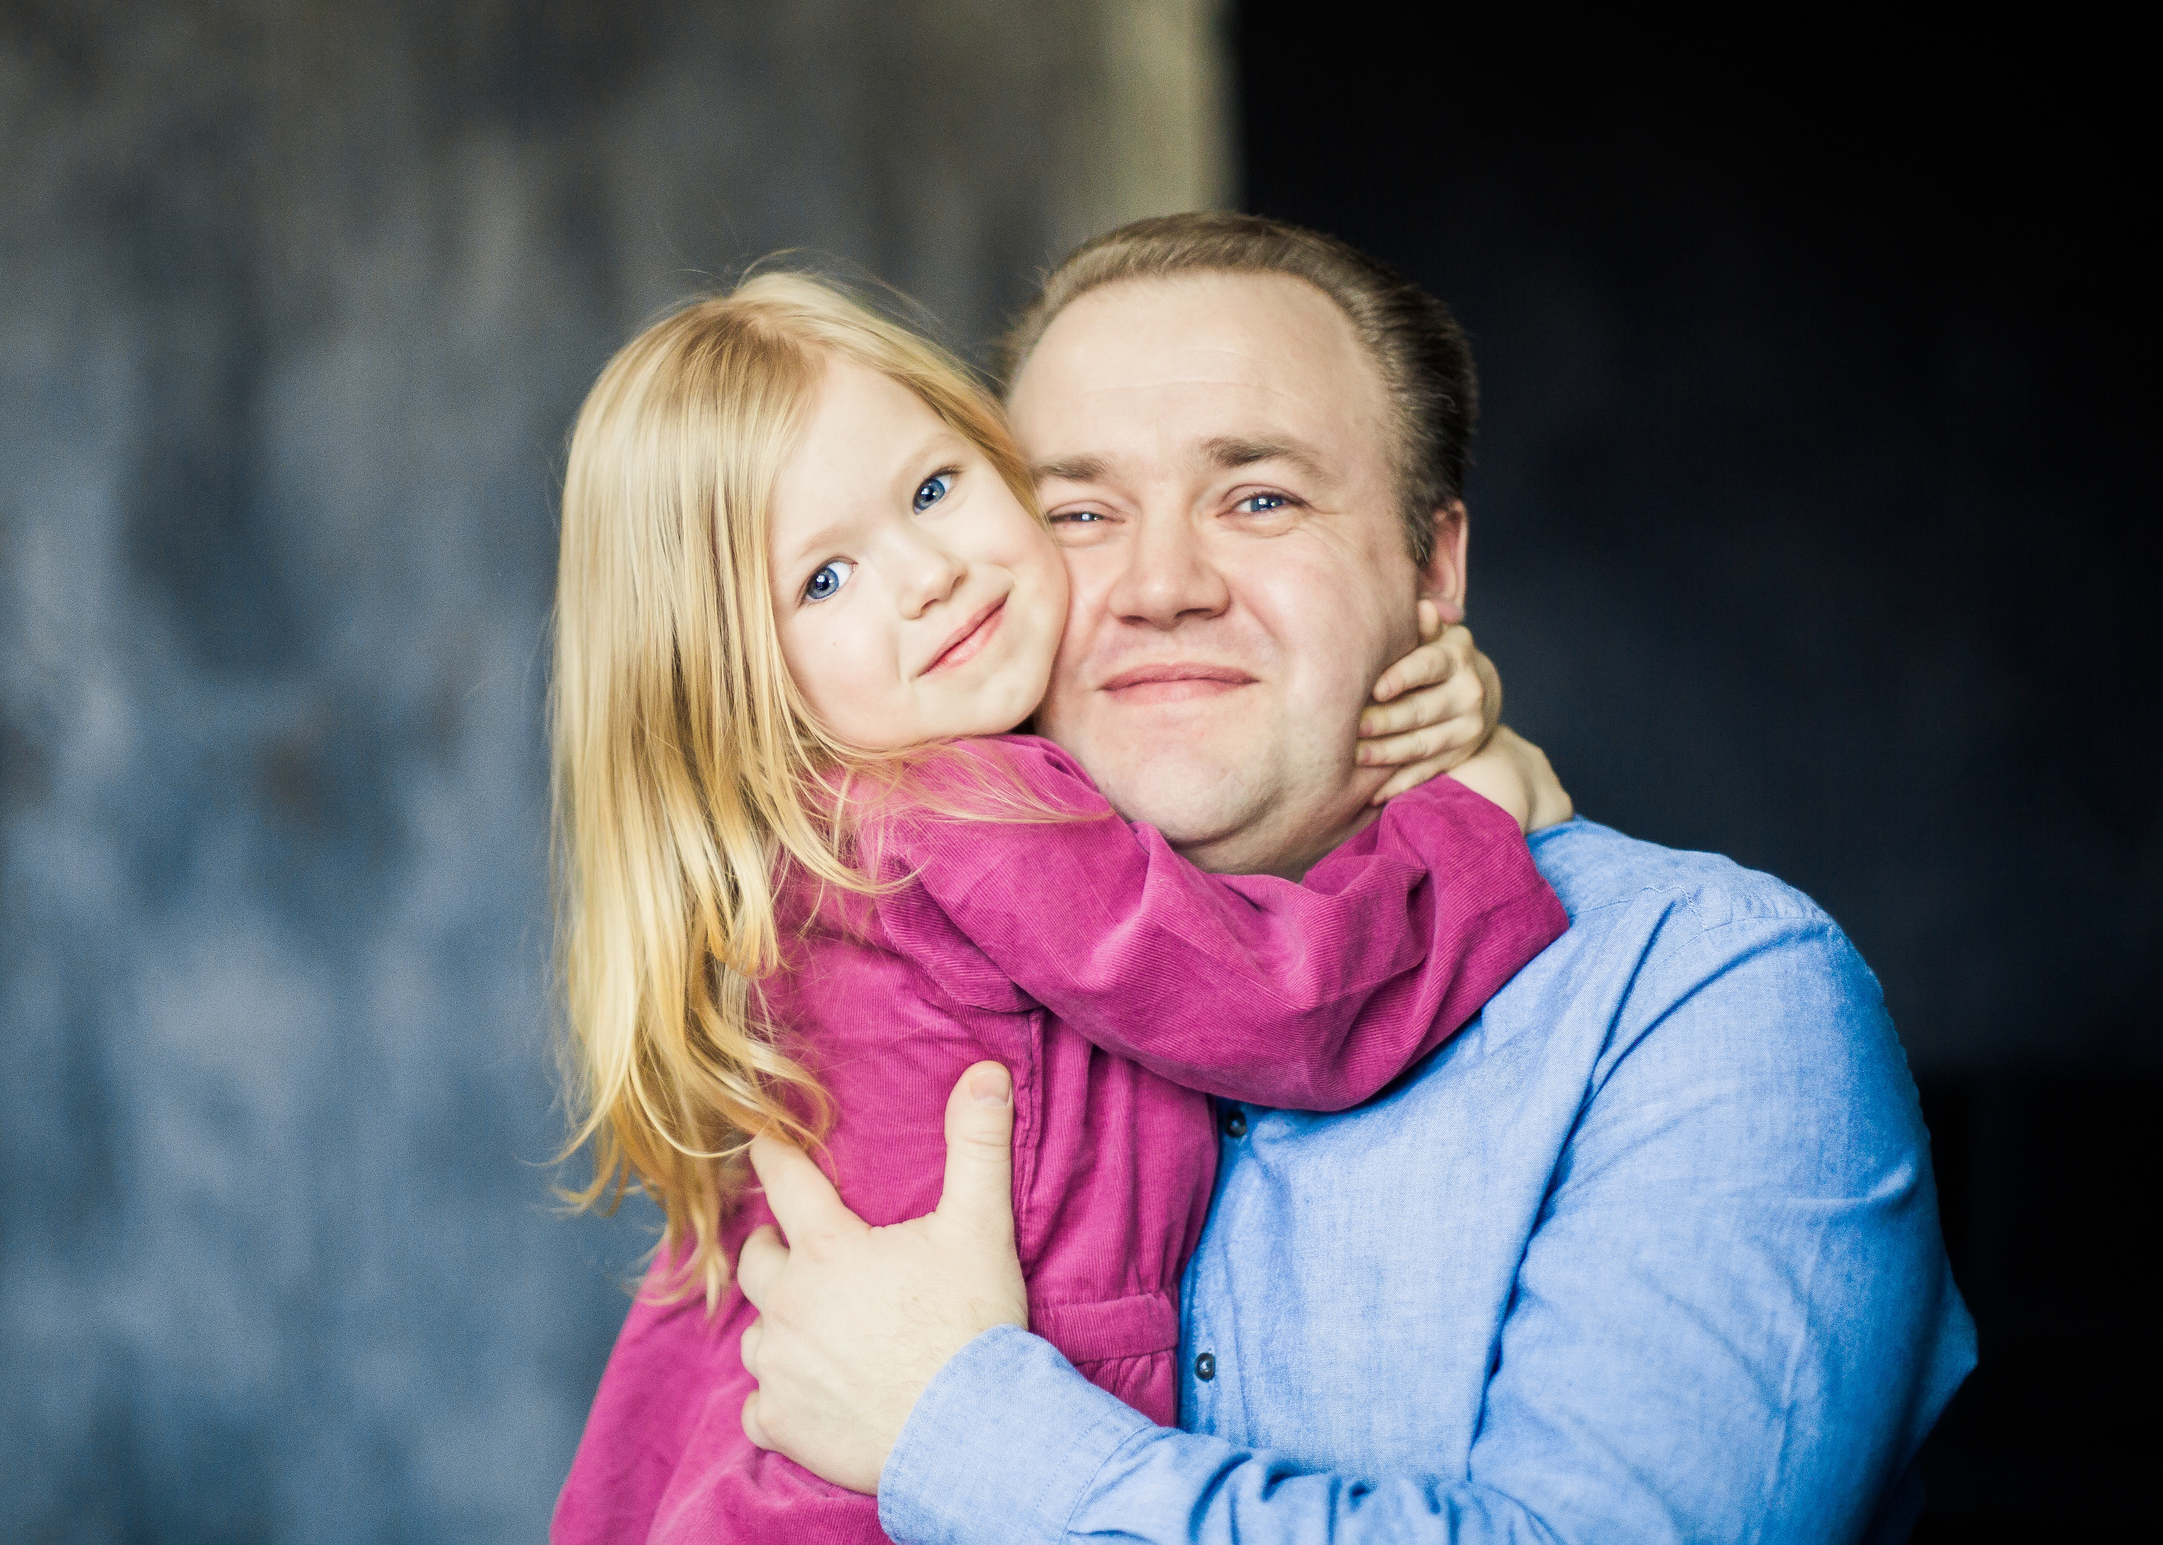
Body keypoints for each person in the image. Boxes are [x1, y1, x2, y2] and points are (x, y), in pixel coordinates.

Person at [731, 215, 1978, 1544]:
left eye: (1259, 496)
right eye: (1077, 512)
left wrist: (958, 1427)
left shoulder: (1709, 999)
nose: (1160, 584)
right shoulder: (860, 976)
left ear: (1432, 568)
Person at [544, 271, 1576, 1543]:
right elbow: (1285, 1005)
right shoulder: (961, 812)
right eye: (822, 581)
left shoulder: (834, 841)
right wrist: (1465, 824)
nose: (924, 575)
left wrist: (1419, 696)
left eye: (933, 490)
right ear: (732, 684)